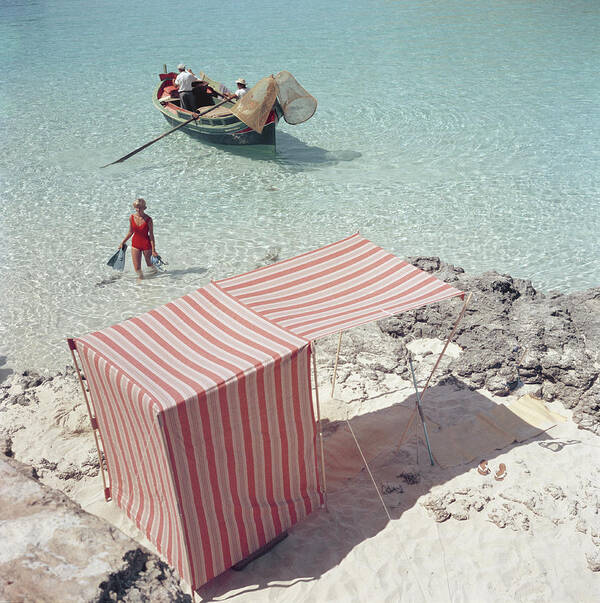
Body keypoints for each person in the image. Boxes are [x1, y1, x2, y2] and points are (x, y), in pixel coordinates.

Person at [119, 198, 158, 279]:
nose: (138, 209)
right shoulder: (131, 217)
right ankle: (141, 281)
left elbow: (151, 235)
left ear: (144, 208)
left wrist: (153, 250)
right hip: (135, 244)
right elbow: (130, 232)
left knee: (149, 265)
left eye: (140, 207)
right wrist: (122, 242)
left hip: (146, 245)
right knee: (137, 268)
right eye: (136, 207)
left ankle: (156, 273)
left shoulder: (149, 219)